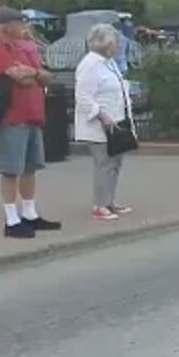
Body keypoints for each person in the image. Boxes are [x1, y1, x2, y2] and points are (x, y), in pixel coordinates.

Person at [0, 7, 62, 239]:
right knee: (10, 170)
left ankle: (30, 213)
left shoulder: (24, 48)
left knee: (30, 168)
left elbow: (45, 76)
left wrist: (34, 72)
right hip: (11, 117)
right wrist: (36, 75)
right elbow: (23, 80)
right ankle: (11, 219)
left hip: (33, 115)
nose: (24, 27)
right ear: (7, 26)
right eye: (20, 23)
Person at [74, 23, 134, 220]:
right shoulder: (90, 64)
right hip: (99, 125)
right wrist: (100, 114)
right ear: (105, 44)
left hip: (116, 121)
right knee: (104, 164)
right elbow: (83, 96)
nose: (118, 45)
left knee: (115, 163)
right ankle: (100, 205)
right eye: (115, 42)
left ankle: (109, 201)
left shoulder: (108, 62)